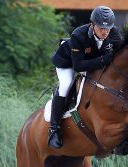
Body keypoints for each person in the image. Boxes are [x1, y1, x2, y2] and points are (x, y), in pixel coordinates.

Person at [48, 6, 123, 149]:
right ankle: (54, 128)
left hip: (92, 63)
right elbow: (79, 66)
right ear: (92, 24)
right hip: (68, 63)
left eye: (107, 29)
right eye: (101, 28)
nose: (104, 32)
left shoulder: (114, 34)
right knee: (66, 85)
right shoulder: (79, 35)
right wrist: (102, 60)